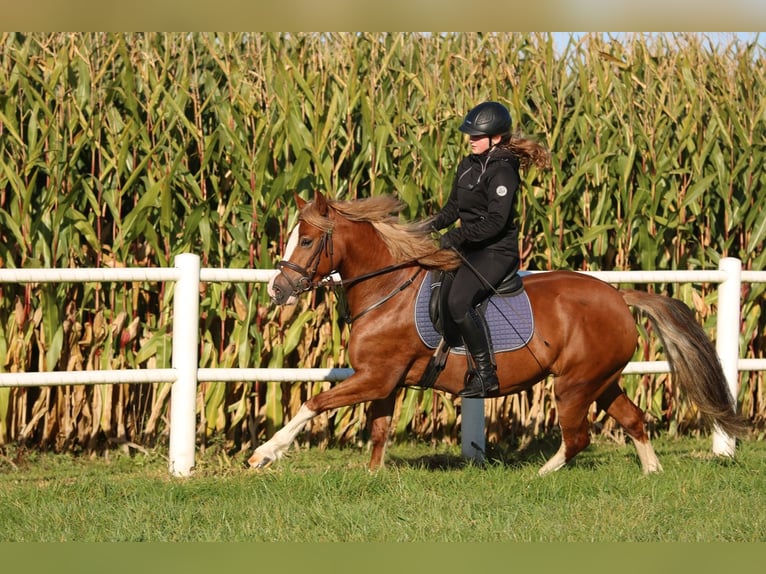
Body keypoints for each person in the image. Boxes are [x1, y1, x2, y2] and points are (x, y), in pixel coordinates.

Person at [429, 101, 551, 398]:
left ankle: (486, 375)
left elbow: (496, 223)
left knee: (459, 302)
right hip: (470, 248)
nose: (470, 140)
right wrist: (425, 226)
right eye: (469, 135)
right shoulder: (468, 165)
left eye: (476, 135)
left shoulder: (503, 170)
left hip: (495, 252)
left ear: (495, 138)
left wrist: (457, 237)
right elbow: (453, 208)